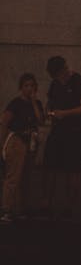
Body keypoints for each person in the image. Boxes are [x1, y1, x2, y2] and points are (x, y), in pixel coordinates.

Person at [41, 55, 81, 218]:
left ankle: (69, 207)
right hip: (58, 130)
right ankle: (46, 203)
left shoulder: (79, 82)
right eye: (59, 75)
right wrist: (49, 111)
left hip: (75, 132)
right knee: (50, 166)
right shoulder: (55, 84)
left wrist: (65, 113)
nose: (63, 76)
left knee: (72, 170)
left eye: (64, 72)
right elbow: (50, 101)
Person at [0, 73, 45, 222]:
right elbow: (5, 122)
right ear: (21, 87)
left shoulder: (36, 103)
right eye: (26, 85)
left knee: (26, 175)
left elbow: (40, 120)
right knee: (14, 175)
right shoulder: (15, 103)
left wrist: (33, 103)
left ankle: (20, 208)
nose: (29, 88)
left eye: (32, 85)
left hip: (31, 140)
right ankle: (7, 208)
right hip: (17, 139)